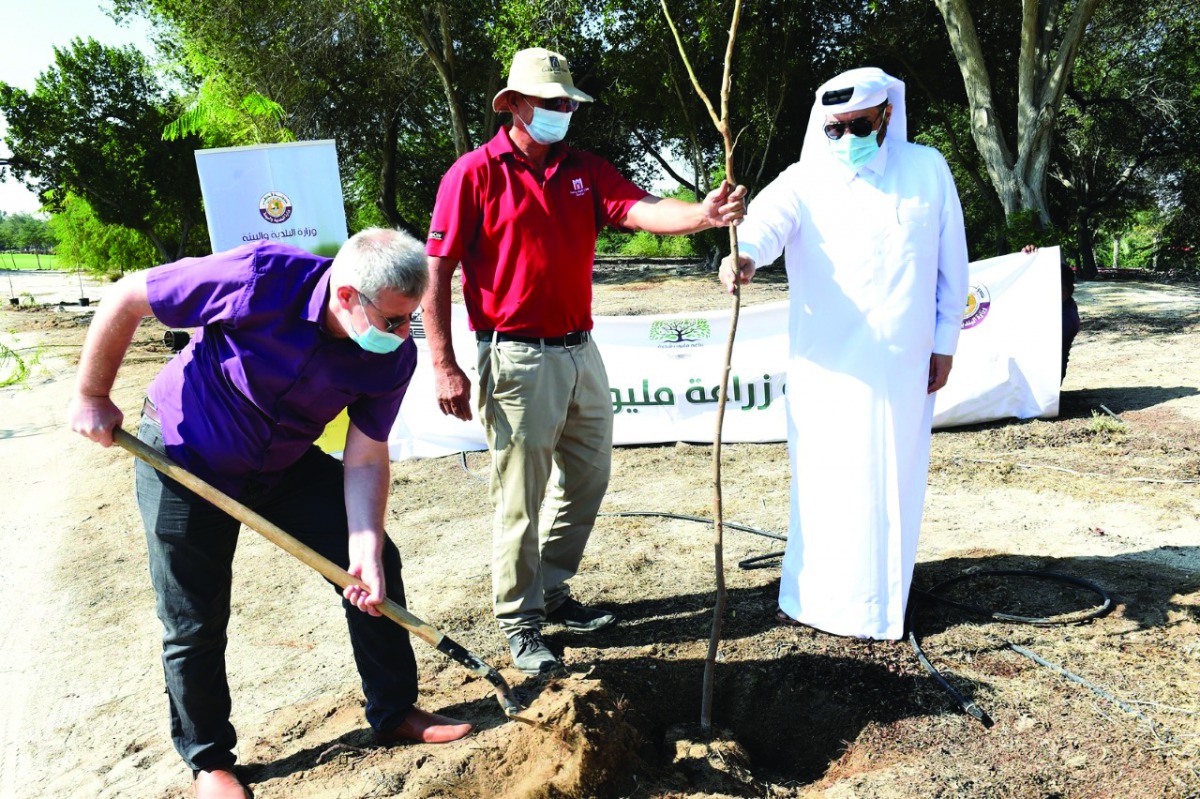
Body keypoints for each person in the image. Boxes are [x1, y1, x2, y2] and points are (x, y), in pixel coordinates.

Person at [67, 229, 472, 799]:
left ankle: (395, 709)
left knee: (377, 565)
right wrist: (91, 393)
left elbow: (363, 457)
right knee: (194, 617)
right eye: (394, 321)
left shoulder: (391, 357)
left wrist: (363, 548)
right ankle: (209, 762)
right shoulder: (258, 277)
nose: (404, 336)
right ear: (349, 294)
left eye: (412, 321)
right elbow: (128, 296)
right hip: (186, 453)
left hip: (280, 462)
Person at [423, 47, 746, 675]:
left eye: (568, 102)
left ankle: (551, 590)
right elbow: (437, 269)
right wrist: (444, 362)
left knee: (589, 478)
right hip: (513, 356)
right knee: (520, 495)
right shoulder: (472, 174)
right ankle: (520, 623)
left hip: (580, 350)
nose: (563, 112)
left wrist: (703, 215)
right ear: (511, 105)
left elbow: (642, 210)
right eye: (550, 102)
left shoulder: (585, 169)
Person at [720, 67, 969, 641]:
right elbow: (764, 226)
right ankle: (824, 602)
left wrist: (944, 342)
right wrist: (745, 258)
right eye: (834, 129)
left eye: (858, 124)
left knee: (895, 481)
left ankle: (886, 599)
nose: (846, 138)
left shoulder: (926, 170)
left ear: (885, 115)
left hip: (903, 369)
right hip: (827, 372)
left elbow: (950, 264)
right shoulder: (804, 179)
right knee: (829, 485)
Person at [1023, 244, 1080, 382]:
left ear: (1067, 290)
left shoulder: (1067, 318)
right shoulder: (1052, 307)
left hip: (1046, 381)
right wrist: (1025, 262)